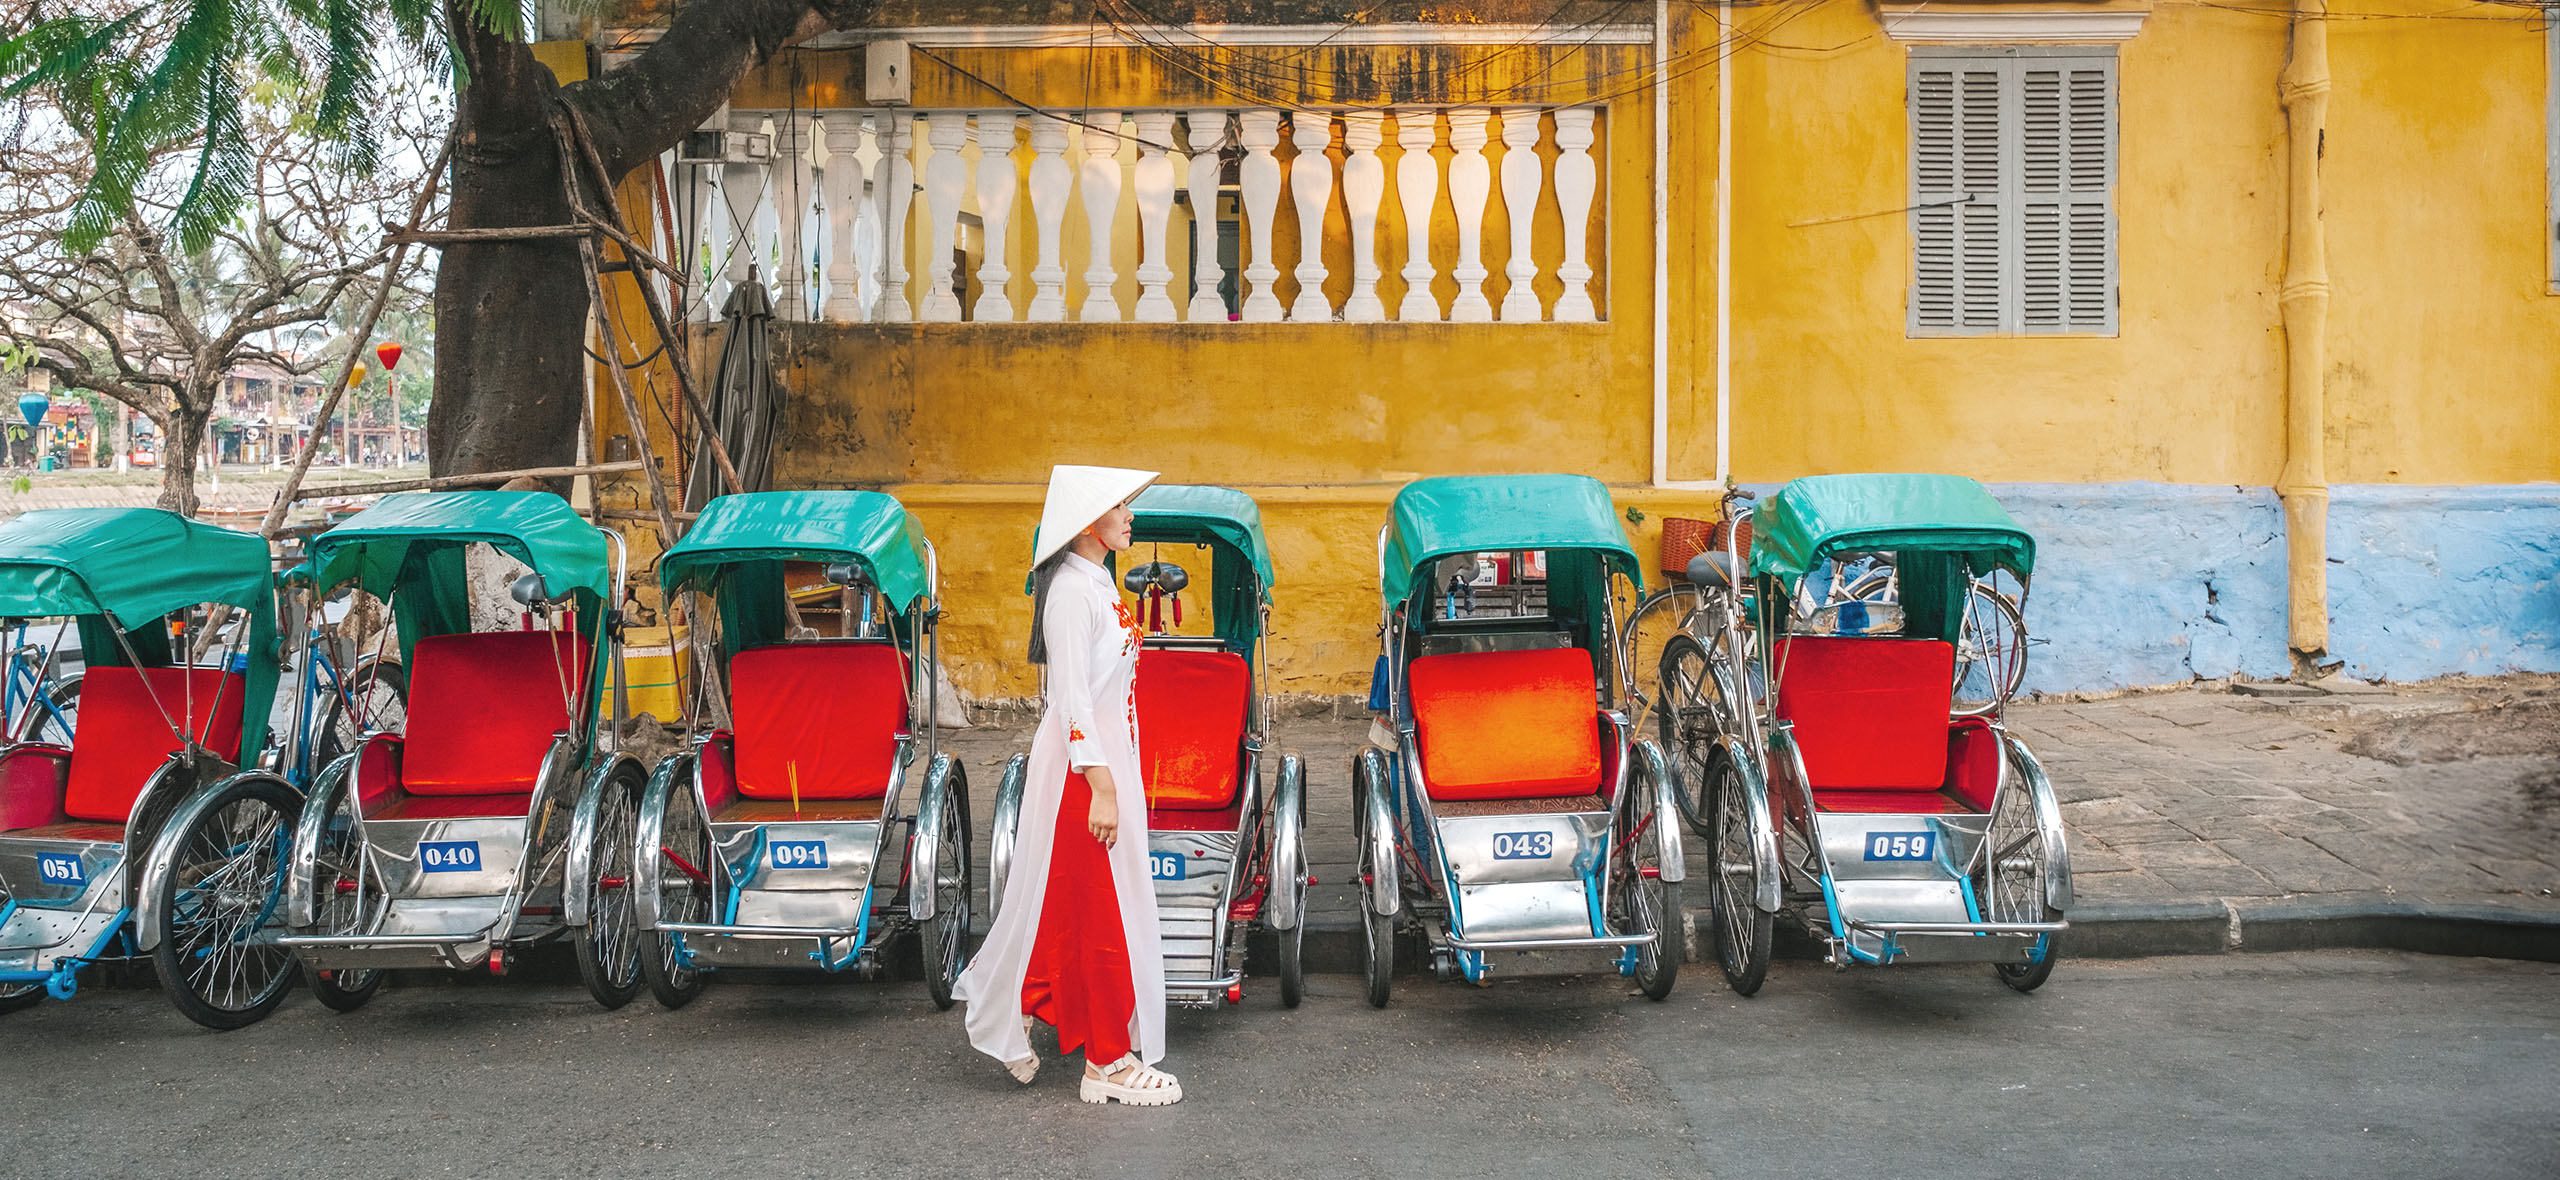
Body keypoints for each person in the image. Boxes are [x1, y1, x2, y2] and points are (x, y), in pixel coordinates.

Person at [955, 464, 1180, 1106]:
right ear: (1089, 523)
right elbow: (1073, 700)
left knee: (1070, 901)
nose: (1131, 516)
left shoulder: (1096, 583)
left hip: (1106, 764)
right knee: (1101, 908)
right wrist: (1103, 786)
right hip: (1086, 773)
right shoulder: (1070, 595)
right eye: (1120, 507)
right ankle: (1106, 1061)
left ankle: (1022, 1000)